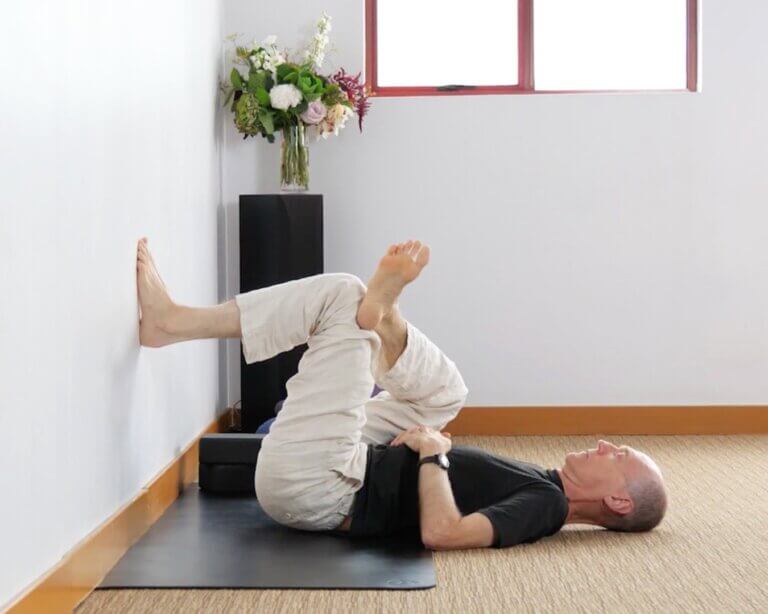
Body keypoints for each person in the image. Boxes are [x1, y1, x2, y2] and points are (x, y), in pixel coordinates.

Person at [136, 237, 668, 550]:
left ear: (617, 500)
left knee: (343, 295)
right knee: (447, 393)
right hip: (347, 464)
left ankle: (174, 324)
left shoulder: (548, 507)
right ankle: (383, 320)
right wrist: (425, 441)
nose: (604, 444)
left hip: (318, 486)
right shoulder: (544, 484)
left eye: (616, 455)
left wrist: (434, 454)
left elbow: (444, 532)